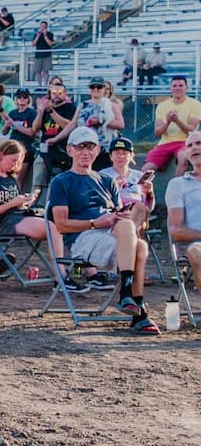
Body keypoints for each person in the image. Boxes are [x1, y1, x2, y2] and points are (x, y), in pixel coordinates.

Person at [47, 126, 159, 333]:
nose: (85, 152)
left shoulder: (107, 181)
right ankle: (137, 308)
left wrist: (121, 214)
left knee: (139, 243)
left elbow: (117, 214)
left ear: (97, 150)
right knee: (138, 246)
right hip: (82, 239)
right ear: (70, 150)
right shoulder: (61, 181)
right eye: (80, 147)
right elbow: (61, 225)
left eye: (90, 147)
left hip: (110, 234)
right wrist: (94, 223)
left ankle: (130, 300)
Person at [0, 139, 66, 276]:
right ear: (1, 155)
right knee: (52, 228)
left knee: (56, 223)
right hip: (3, 224)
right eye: (13, 160)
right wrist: (13, 203)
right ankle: (60, 275)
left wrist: (27, 200)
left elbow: (15, 204)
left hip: (19, 215)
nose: (16, 165)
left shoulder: (10, 177)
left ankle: (61, 272)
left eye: (19, 161)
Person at [166, 130, 201, 294]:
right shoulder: (178, 184)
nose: (194, 148)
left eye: (199, 143)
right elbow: (176, 231)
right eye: (190, 145)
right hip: (195, 246)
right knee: (197, 251)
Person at [144, 76, 201, 176]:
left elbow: (191, 130)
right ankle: (140, 190)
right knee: (147, 168)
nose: (177, 88)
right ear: (170, 88)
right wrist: (168, 122)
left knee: (183, 158)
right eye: (174, 86)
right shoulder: (162, 105)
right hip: (164, 143)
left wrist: (177, 120)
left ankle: (175, 188)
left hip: (185, 141)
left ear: (186, 88)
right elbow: (157, 133)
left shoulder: (195, 104)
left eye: (180, 86)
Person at [99, 137, 154, 234]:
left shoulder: (139, 175)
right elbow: (99, 201)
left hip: (137, 213)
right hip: (114, 212)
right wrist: (113, 188)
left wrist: (149, 193)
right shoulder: (102, 176)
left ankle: (130, 236)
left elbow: (149, 207)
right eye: (117, 153)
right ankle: (132, 238)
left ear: (132, 156)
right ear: (111, 156)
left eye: (124, 153)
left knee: (140, 208)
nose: (121, 156)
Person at [35, 79, 78, 181]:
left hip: (62, 152)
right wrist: (40, 112)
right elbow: (35, 129)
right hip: (44, 151)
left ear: (65, 94)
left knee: (59, 181)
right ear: (50, 94)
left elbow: (68, 125)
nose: (57, 95)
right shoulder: (45, 108)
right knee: (37, 183)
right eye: (54, 93)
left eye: (60, 93)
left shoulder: (70, 108)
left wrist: (51, 111)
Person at [76, 77, 117, 169]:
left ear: (104, 89)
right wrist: (55, 139)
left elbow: (121, 124)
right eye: (92, 87)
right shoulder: (83, 105)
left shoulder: (111, 104)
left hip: (104, 149)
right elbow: (72, 124)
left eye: (99, 87)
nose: (95, 89)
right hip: (85, 149)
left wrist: (101, 122)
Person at [1, 89, 39, 187]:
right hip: (12, 147)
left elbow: (32, 132)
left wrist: (15, 125)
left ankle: (16, 200)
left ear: (28, 99)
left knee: (17, 179)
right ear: (16, 99)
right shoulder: (13, 113)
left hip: (26, 148)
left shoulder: (32, 113)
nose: (22, 99)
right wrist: (7, 125)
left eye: (24, 97)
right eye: (19, 97)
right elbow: (4, 132)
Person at [32, 22, 55, 87]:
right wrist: (37, 36)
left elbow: (50, 44)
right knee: (38, 71)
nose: (43, 27)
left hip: (47, 55)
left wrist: (45, 36)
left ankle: (45, 85)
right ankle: (39, 85)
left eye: (44, 26)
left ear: (47, 26)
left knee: (46, 71)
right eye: (42, 26)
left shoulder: (50, 34)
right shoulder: (36, 34)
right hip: (38, 55)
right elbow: (33, 44)